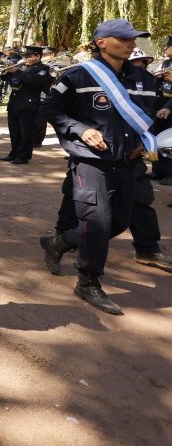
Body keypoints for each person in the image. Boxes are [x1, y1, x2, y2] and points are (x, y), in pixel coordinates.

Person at [40, 19, 158, 315]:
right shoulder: (78, 76)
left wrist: (146, 140)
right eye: (124, 38)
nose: (132, 43)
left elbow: (147, 116)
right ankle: (88, 282)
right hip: (90, 162)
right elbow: (51, 110)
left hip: (128, 162)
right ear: (102, 42)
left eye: (134, 38)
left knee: (118, 222)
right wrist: (80, 129)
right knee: (98, 222)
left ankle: (59, 242)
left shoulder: (145, 79)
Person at [0, 46, 52, 165]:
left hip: (28, 104)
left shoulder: (43, 69)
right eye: (25, 56)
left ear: (37, 56)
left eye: (29, 56)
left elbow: (32, 81)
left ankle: (23, 156)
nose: (26, 58)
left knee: (25, 132)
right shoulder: (23, 67)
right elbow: (7, 78)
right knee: (14, 131)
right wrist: (7, 71)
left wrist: (17, 71)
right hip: (15, 103)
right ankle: (14, 152)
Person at [152, 35, 172, 184]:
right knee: (158, 140)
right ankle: (157, 170)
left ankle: (169, 174)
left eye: (168, 45)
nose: (165, 48)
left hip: (170, 109)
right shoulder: (165, 63)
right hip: (160, 107)